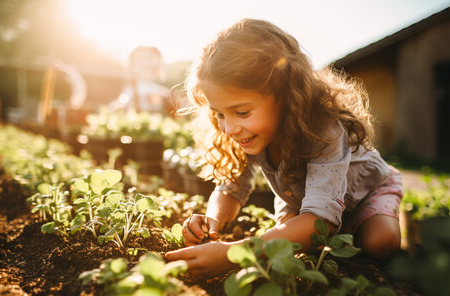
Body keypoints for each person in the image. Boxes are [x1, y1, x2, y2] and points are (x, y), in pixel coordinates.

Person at [164, 19, 403, 279]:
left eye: (241, 112)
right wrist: (211, 222)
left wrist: (232, 254)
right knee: (292, 244)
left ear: (286, 96)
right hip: (303, 200)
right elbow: (230, 189)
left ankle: (359, 223)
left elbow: (317, 223)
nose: (230, 128)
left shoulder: (323, 129)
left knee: (380, 242)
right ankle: (335, 231)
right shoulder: (249, 133)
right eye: (219, 113)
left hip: (365, 191)